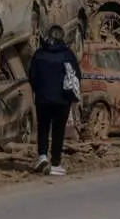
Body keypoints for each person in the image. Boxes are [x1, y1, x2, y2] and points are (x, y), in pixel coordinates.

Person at [27, 24, 81, 176]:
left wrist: (39, 90)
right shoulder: (68, 54)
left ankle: (42, 156)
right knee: (58, 130)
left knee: (43, 127)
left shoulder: (39, 54)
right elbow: (77, 76)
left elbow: (32, 75)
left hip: (43, 99)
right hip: (63, 100)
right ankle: (56, 163)